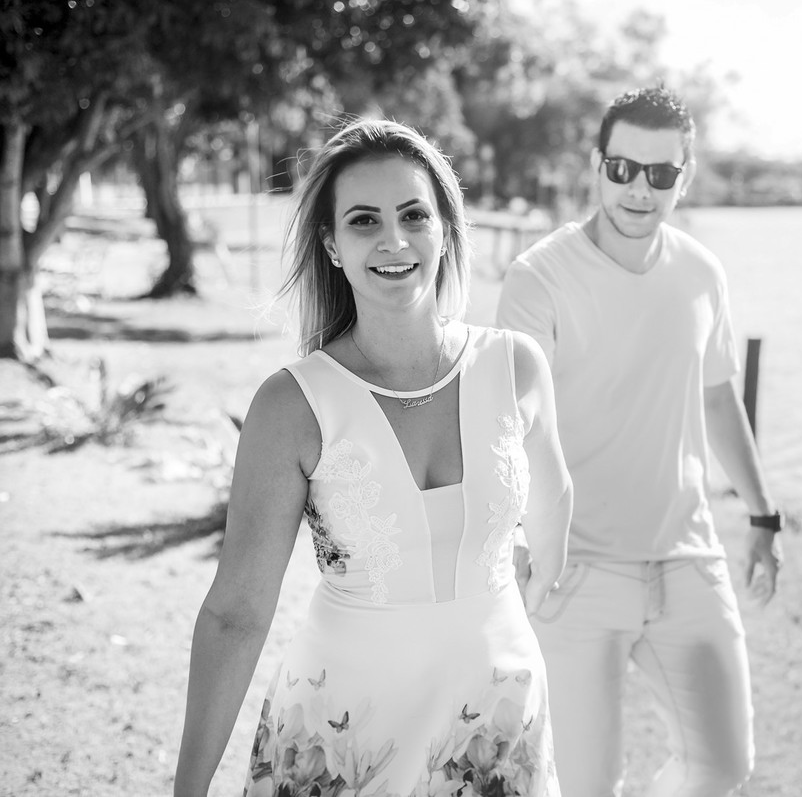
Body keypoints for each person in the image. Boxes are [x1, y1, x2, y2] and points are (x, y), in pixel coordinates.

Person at [174, 119, 571, 797]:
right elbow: (236, 614)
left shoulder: (517, 367)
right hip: (342, 735)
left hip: (496, 723)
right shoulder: (293, 404)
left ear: (445, 228)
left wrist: (518, 591)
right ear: (331, 245)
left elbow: (555, 502)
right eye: (364, 221)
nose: (394, 240)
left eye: (414, 215)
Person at [497, 87, 784, 797]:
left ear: (685, 177)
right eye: (623, 168)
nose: (639, 189)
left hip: (688, 559)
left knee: (723, 764)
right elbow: (510, 423)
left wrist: (763, 513)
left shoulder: (701, 273)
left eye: (660, 174)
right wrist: (518, 537)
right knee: (584, 786)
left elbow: (717, 397)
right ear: (597, 164)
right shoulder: (538, 278)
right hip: (575, 570)